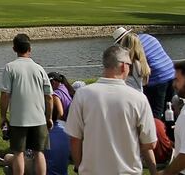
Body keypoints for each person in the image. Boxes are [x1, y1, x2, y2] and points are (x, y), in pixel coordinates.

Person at [64, 45, 157, 175]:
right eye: (130, 66)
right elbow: (150, 143)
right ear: (123, 66)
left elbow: (75, 138)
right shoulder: (138, 98)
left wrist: (80, 167)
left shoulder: (82, 94)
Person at [0, 34, 52, 175]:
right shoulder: (39, 69)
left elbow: (5, 94)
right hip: (39, 118)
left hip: (18, 120)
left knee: (18, 153)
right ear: (30, 48)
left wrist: (3, 116)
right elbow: (49, 96)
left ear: (14, 49)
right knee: (39, 152)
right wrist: (48, 117)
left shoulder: (10, 67)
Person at [112, 28, 176, 119]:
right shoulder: (147, 36)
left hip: (157, 77)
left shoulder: (131, 46)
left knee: (156, 110)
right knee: (169, 108)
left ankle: (157, 127)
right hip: (171, 71)